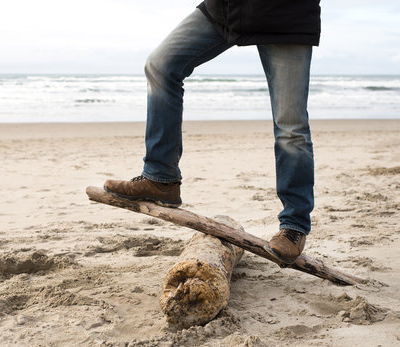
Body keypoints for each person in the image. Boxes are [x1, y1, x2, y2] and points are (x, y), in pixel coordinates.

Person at [104, 0, 321, 265]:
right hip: (226, 8)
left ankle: (294, 226)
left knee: (291, 126)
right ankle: (161, 179)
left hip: (286, 16)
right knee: (160, 65)